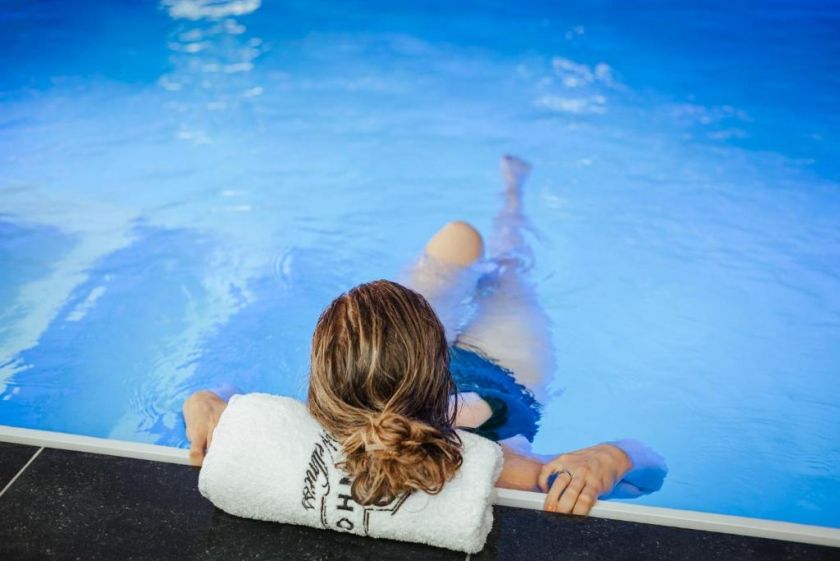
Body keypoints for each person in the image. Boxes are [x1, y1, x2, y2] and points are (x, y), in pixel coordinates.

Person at [184, 156, 666, 515]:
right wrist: (611, 457)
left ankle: (508, 205)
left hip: (392, 359)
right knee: (508, 271)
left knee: (459, 237)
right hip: (501, 373)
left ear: (321, 383)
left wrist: (205, 399)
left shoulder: (293, 431)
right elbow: (650, 473)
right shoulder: (499, 466)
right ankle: (513, 202)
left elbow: (225, 398)